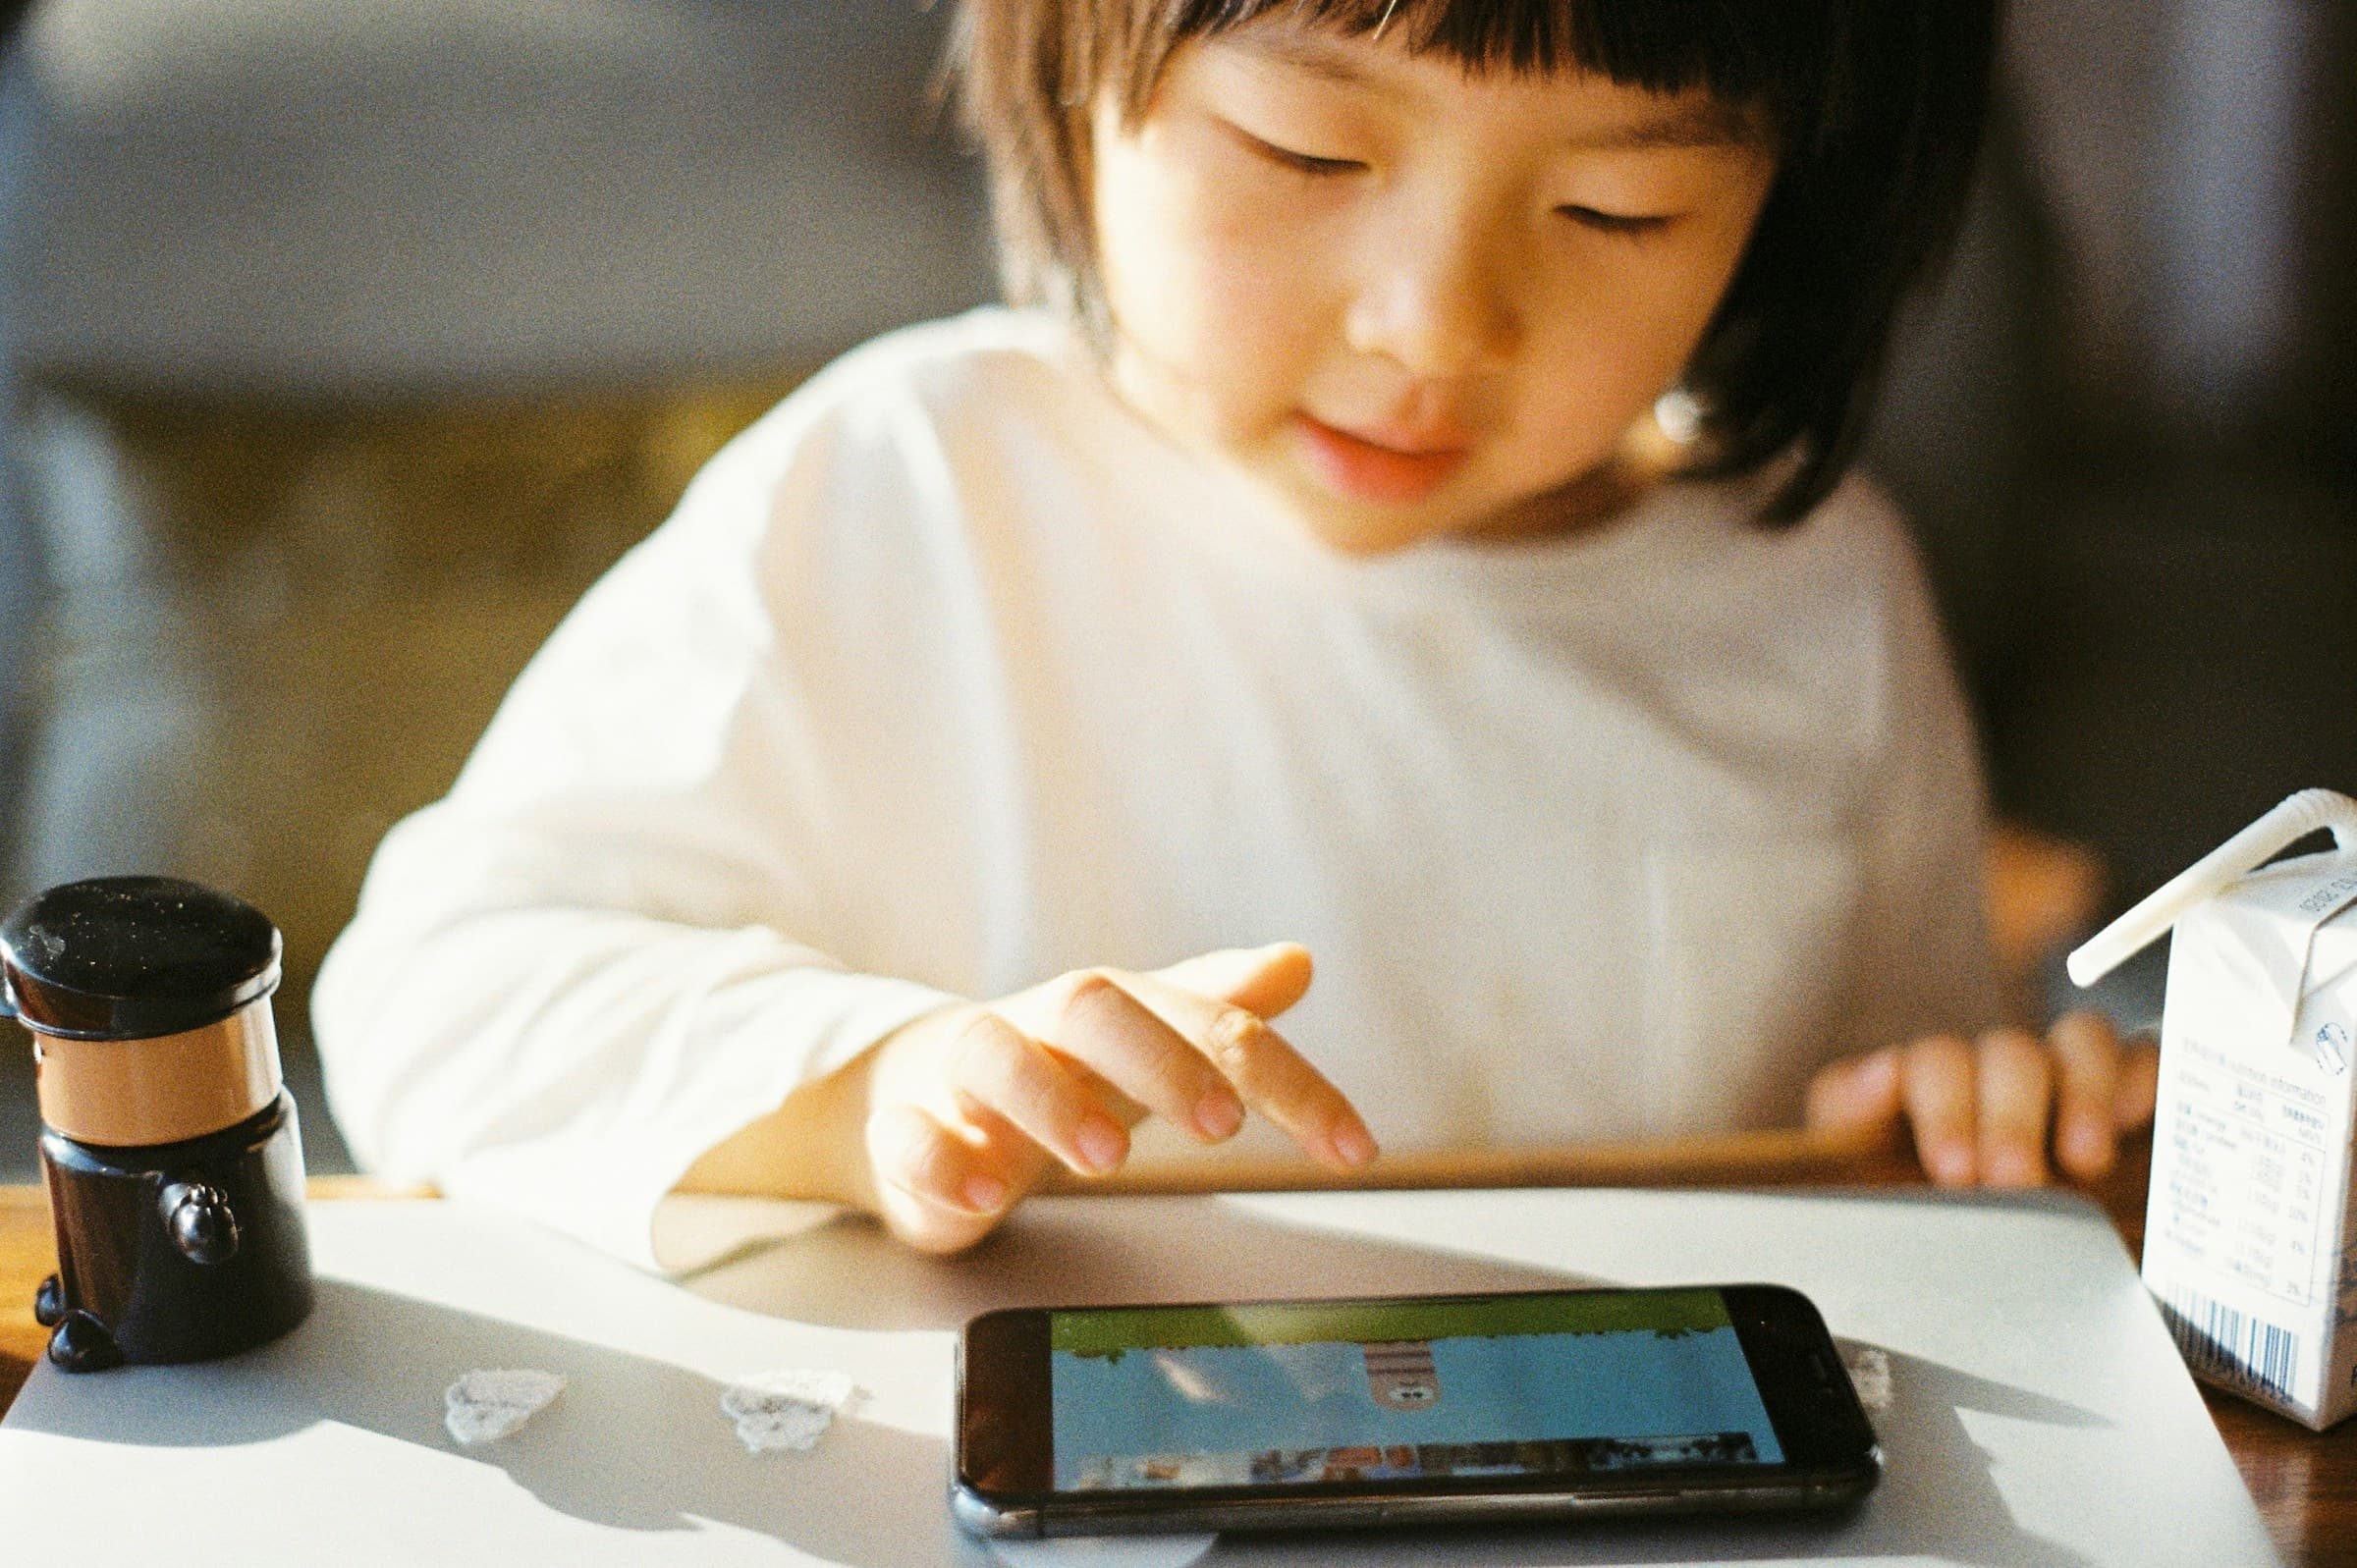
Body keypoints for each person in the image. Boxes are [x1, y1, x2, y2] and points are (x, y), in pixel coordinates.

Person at [315, 0, 2158, 1271]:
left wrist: (1973, 1097)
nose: (1438, 322)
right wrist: (871, 1089)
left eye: (1618, 206)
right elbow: (435, 997)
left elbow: (1900, 1116)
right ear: (1078, 71)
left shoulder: (1812, 592)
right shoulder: (904, 499)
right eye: (1306, 153)